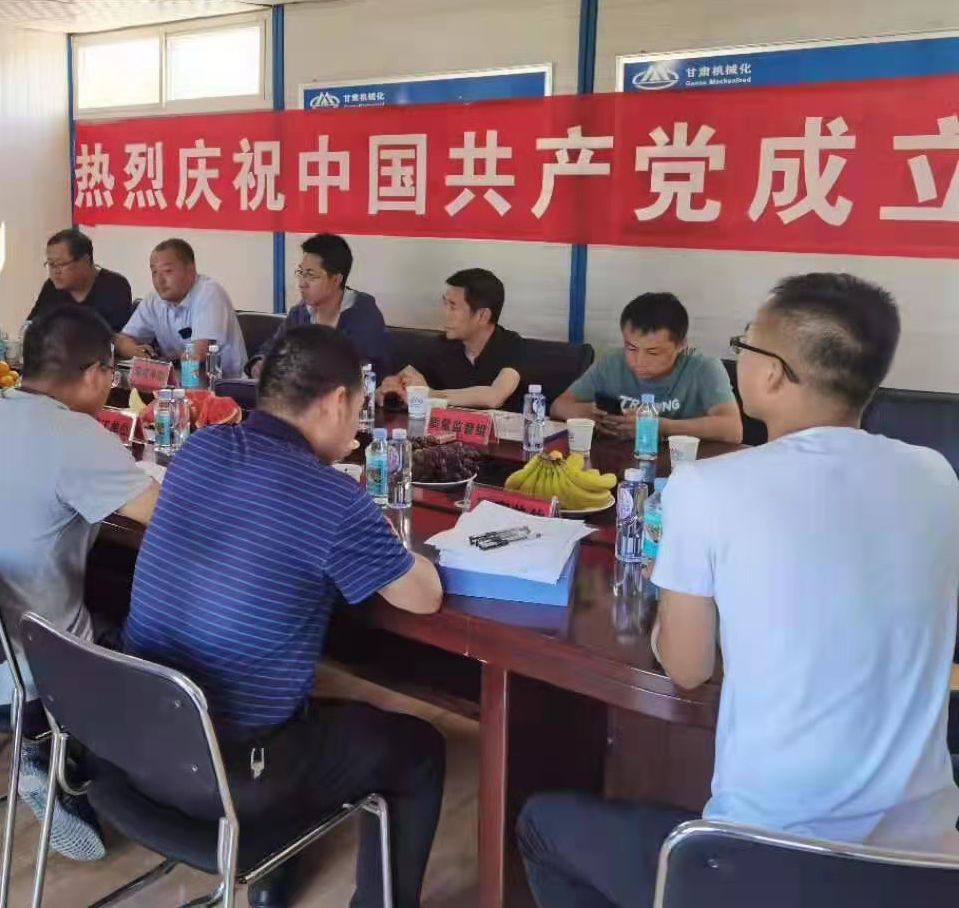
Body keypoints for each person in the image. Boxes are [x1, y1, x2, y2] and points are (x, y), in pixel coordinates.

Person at [518, 273, 959, 908]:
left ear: (772, 374)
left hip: (765, 863)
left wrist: (675, 607)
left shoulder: (711, 487)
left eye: (745, 343)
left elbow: (688, 668)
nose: (740, 355)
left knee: (541, 829)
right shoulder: (937, 475)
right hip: (926, 870)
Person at [124, 325, 446, 908]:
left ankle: (275, 876)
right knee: (419, 750)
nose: (357, 427)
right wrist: (404, 549)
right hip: (231, 770)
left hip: (137, 732)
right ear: (336, 402)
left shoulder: (200, 447)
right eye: (358, 409)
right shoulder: (334, 499)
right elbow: (422, 597)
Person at [0, 303, 159, 860]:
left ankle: (43, 745)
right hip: (30, 670)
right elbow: (168, 515)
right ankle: (67, 760)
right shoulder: (72, 435)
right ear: (96, 373)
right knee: (152, 630)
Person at [551, 292, 742, 444]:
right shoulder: (612, 362)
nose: (639, 361)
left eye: (653, 352)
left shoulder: (704, 368)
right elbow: (558, 406)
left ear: (681, 345)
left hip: (683, 468)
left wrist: (660, 427)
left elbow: (733, 430)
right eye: (631, 348)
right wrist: (585, 413)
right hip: (619, 463)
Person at [247, 232, 389, 380]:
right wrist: (259, 363)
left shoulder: (363, 316)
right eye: (300, 273)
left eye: (311, 275)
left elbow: (353, 372)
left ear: (336, 280)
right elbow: (272, 348)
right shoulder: (300, 313)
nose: (302, 283)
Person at [379, 268, 523, 410]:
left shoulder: (514, 347)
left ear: (483, 315)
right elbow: (394, 386)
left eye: (453, 307)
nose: (444, 313)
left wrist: (429, 394)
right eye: (445, 304)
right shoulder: (441, 345)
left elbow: (493, 397)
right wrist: (390, 391)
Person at [114, 238, 247, 378]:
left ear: (190, 270)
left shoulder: (209, 293)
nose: (159, 280)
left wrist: (163, 366)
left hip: (227, 385)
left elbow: (198, 353)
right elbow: (121, 340)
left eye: (167, 271)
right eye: (154, 272)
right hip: (178, 383)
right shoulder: (154, 300)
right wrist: (135, 351)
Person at [26, 228, 133, 333]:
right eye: (51, 264)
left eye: (61, 264)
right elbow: (30, 327)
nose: (55, 271)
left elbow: (117, 337)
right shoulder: (51, 287)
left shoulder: (115, 286)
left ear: (85, 261)